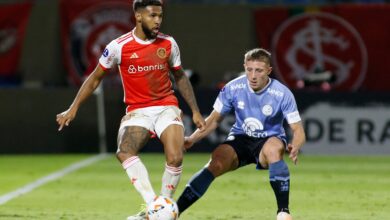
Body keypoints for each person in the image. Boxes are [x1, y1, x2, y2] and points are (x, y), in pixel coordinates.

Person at [56, 0, 205, 219]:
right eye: (152, 16)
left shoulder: (168, 43)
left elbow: (180, 76)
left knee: (175, 157)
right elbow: (95, 78)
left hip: (166, 106)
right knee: (124, 151)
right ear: (138, 16)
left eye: (160, 16)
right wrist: (73, 108)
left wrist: (195, 110)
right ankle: (155, 207)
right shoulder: (118, 46)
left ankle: (158, 212)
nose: (157, 21)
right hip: (138, 110)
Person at [176, 48, 306, 220]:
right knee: (216, 161)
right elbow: (214, 120)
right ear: (244, 67)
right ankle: (174, 211)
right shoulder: (233, 87)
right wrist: (191, 140)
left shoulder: (282, 93)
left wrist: (296, 145)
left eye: (259, 70)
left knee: (274, 149)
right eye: (249, 69)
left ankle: (283, 211)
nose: (253, 76)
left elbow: (298, 130)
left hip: (269, 139)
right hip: (241, 138)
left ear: (269, 70)